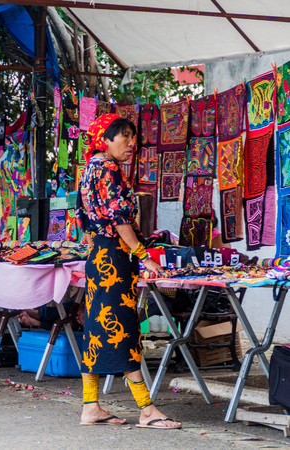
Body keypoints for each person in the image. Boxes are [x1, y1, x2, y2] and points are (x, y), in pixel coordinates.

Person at [75, 114, 181, 429]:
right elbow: (120, 219)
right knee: (124, 331)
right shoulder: (109, 169)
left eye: (133, 137)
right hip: (115, 261)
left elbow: (86, 220)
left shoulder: (89, 170)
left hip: (98, 257)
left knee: (96, 331)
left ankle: (90, 406)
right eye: (124, 137)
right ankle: (147, 410)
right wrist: (143, 255)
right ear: (104, 140)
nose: (132, 143)